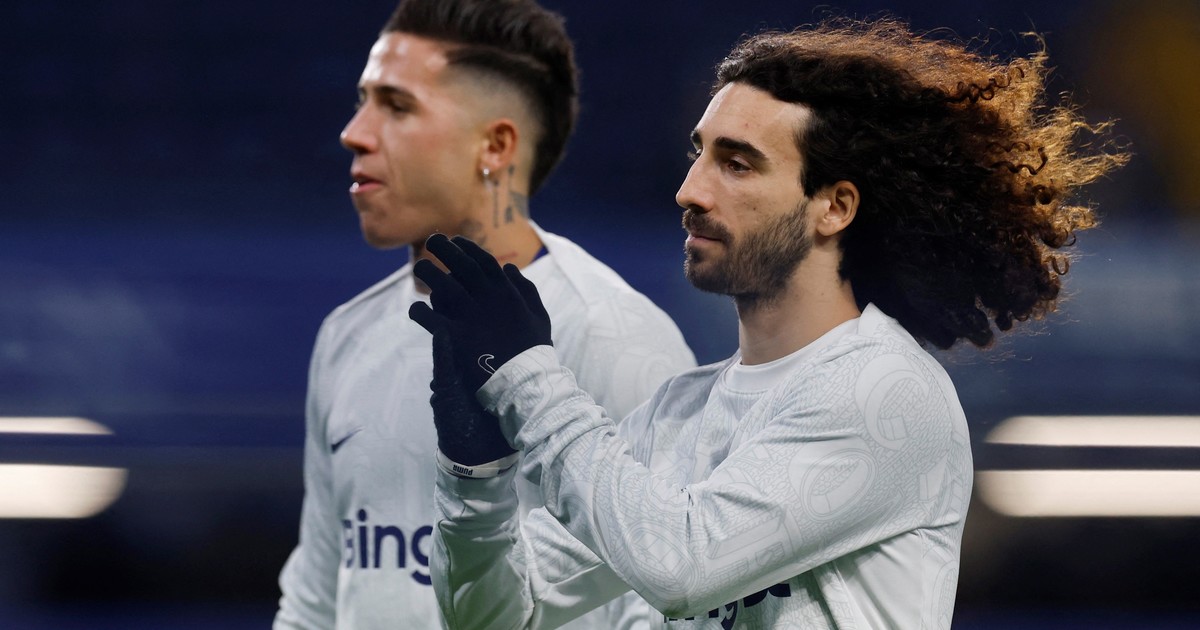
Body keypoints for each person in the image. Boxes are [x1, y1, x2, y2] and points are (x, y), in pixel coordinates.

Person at [409, 17, 1128, 629]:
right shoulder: (677, 412)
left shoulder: (883, 389)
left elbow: (680, 568)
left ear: (833, 207)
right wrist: (476, 475)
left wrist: (529, 378)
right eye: (698, 154)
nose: (690, 190)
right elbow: (498, 616)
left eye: (738, 164)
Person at [273, 0, 696, 628]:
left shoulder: (613, 334)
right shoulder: (347, 335)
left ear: (495, 145)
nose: (354, 132)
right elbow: (315, 597)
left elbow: (665, 600)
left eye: (397, 106)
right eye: (363, 101)